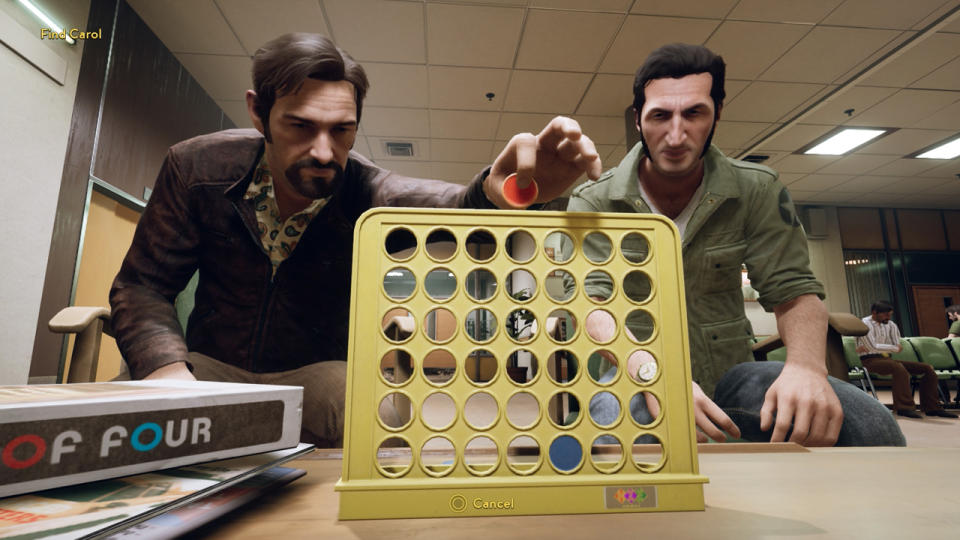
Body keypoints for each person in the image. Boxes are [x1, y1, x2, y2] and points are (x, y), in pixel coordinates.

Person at [109, 33, 602, 447]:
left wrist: (509, 192)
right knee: (114, 411)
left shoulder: (368, 190)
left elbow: (455, 206)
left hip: (315, 375)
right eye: (300, 126)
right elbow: (142, 286)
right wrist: (165, 373)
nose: (324, 151)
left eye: (342, 131)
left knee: (381, 413)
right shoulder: (196, 169)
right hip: (209, 367)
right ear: (259, 113)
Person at [571, 43, 904, 446]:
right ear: (639, 119)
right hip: (634, 371)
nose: (676, 135)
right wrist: (655, 374)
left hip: (730, 372)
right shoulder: (594, 200)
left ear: (717, 113)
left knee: (870, 426)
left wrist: (805, 366)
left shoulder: (756, 189)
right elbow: (590, 305)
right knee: (617, 444)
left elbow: (794, 291)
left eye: (694, 113)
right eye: (660, 115)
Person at [856, 301, 957, 419]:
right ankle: (904, 408)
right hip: (870, 361)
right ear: (874, 312)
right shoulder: (864, 324)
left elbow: (897, 344)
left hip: (888, 359)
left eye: (890, 315)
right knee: (899, 368)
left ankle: (932, 408)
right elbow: (872, 347)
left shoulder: (891, 324)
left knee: (927, 368)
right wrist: (890, 348)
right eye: (885, 315)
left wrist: (884, 347)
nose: (888, 317)